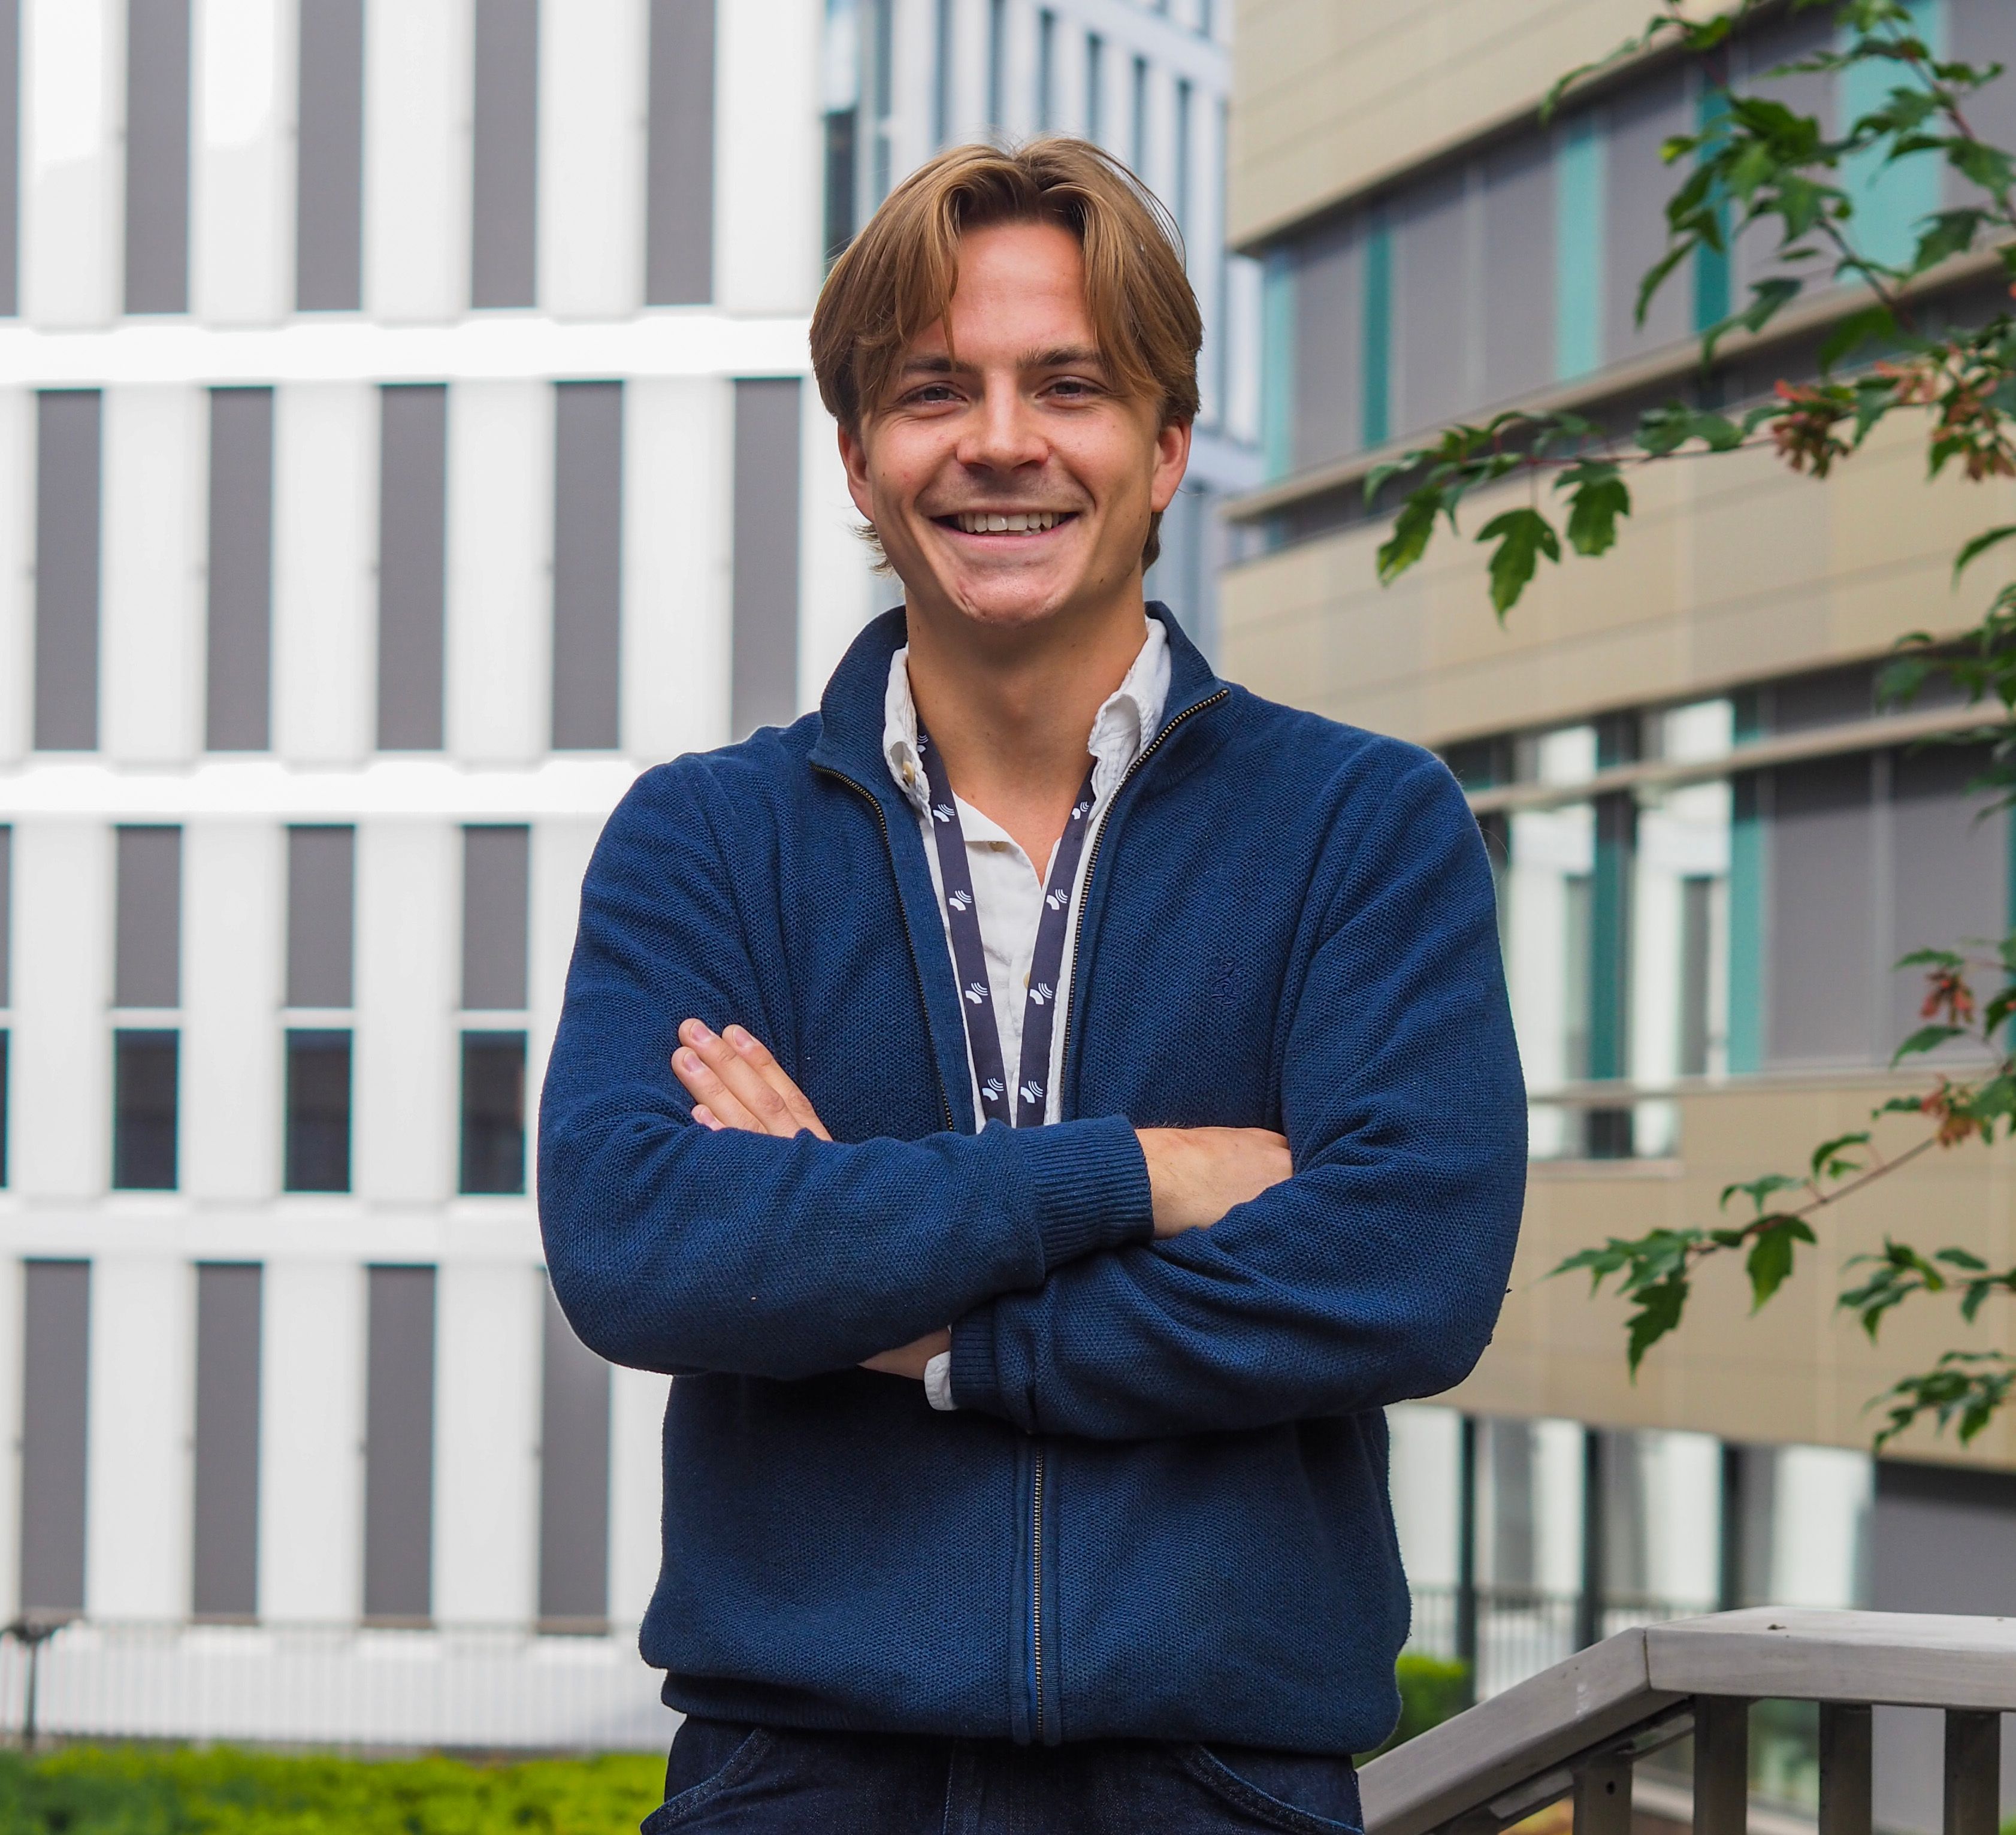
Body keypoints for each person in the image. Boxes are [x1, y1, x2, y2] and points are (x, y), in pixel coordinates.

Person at [539, 137, 1525, 1835]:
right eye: (936, 392)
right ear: (859, 457)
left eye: (1068, 385)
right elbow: (644, 1247)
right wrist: (1138, 1173)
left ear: (1166, 445)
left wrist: (904, 1308)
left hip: (1220, 1790)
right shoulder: (706, 841)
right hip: (797, 1786)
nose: (1002, 443)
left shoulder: (1361, 828)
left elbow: (1402, 1271)